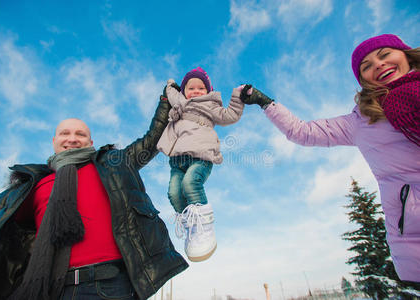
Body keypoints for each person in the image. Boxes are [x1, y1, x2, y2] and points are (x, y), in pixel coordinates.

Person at [240, 34, 420, 285]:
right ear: (363, 81)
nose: (378, 65)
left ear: (405, 54)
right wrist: (265, 102)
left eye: (384, 54)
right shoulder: (362, 122)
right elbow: (302, 132)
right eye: (366, 66)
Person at [0, 94, 188, 299]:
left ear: (90, 143)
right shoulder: (32, 186)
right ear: (54, 141)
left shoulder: (114, 165)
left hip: (112, 285)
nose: (72, 139)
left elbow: (150, 141)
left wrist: (166, 101)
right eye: (65, 133)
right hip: (52, 290)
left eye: (80, 134)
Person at [157, 67, 244, 262]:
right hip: (177, 160)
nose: (196, 92)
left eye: (201, 88)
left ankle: (205, 227)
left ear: (208, 92)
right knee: (173, 192)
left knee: (190, 184)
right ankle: (193, 227)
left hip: (201, 157)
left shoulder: (211, 106)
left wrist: (238, 96)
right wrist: (171, 84)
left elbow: (230, 115)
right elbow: (171, 92)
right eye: (191, 88)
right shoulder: (180, 102)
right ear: (184, 91)